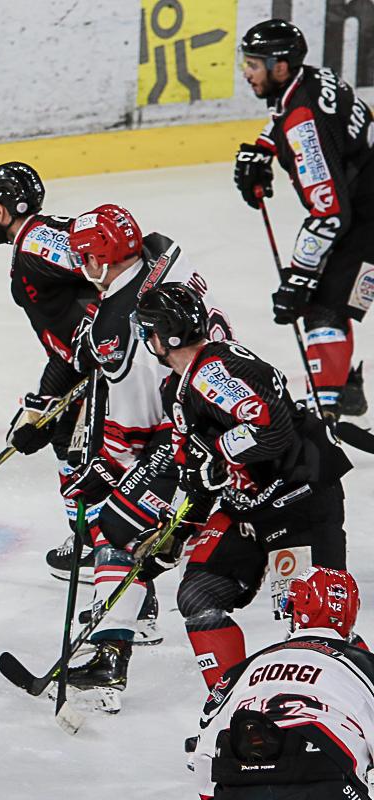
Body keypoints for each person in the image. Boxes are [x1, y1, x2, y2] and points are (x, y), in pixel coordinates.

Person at [134, 283, 351, 690]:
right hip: (248, 508)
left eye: (147, 331)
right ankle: (228, 702)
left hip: (299, 502)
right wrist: (176, 532)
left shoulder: (212, 372)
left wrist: (218, 454)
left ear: (163, 336)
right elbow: (198, 469)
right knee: (199, 595)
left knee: (319, 620)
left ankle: (343, 704)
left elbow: (273, 430)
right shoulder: (179, 387)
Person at [57, 205, 232, 704]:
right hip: (223, 399)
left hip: (188, 435)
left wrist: (103, 468)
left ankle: (113, 655)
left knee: (113, 526)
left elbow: (134, 430)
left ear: (102, 258)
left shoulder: (118, 329)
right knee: (130, 522)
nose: (81, 265)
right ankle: (134, 615)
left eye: (85, 256)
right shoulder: (163, 252)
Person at [234, 18, 374, 418]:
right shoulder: (312, 78)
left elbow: (330, 213)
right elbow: (287, 114)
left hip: (366, 218)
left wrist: (299, 275)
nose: (246, 72)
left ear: (280, 66)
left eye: (254, 64)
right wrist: (264, 147)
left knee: (323, 305)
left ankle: (323, 414)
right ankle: (344, 390)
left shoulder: (303, 124)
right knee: (324, 296)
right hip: (363, 202)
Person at [0, 162, 98, 583]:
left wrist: (104, 350)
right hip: (89, 357)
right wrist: (43, 401)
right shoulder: (40, 234)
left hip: (114, 362)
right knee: (60, 434)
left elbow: (111, 279)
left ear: (2, 210)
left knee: (87, 451)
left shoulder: (35, 247)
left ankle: (102, 550)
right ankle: (89, 539)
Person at [190, 567, 374, 799]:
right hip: (327, 782)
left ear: (295, 610)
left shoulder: (242, 670)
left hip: (241, 785)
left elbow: (204, 756)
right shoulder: (365, 665)